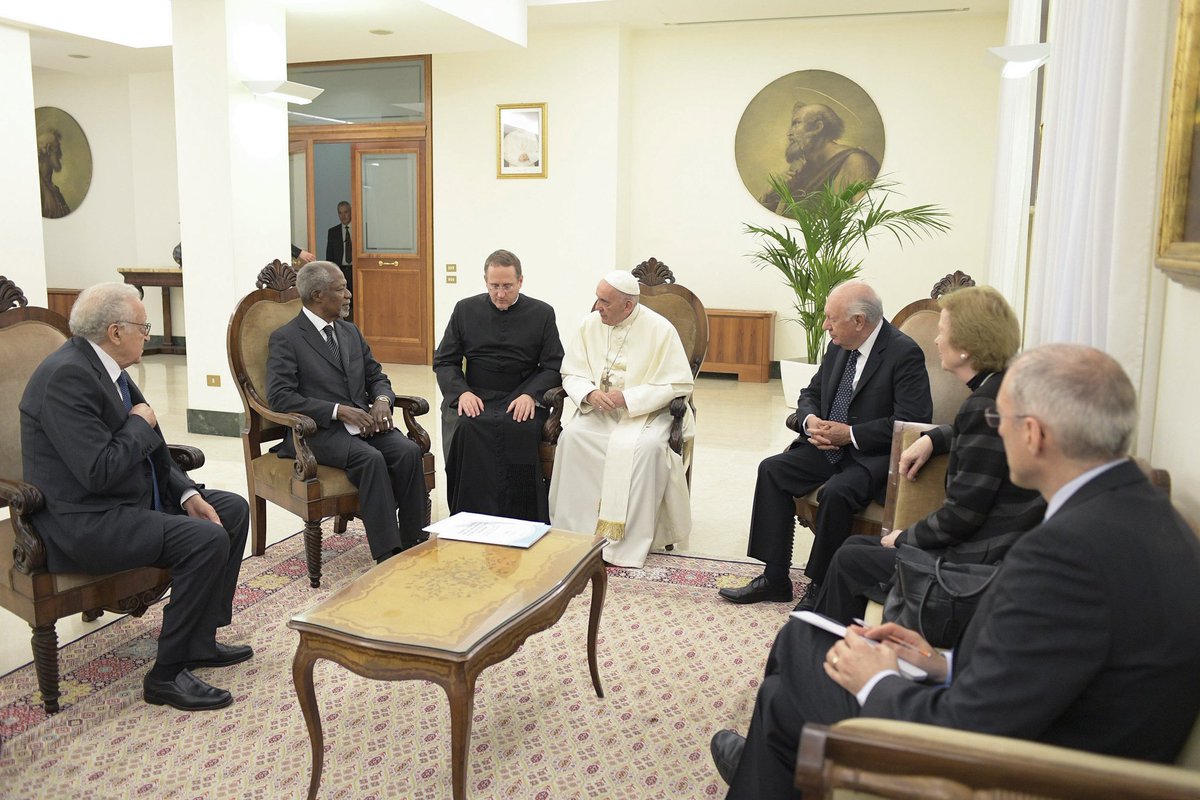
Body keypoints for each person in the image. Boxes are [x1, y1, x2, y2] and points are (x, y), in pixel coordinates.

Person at [710, 344, 1200, 798]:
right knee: (798, 655)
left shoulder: (1063, 554)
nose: (996, 431)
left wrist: (878, 682)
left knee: (795, 658)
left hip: (1028, 768)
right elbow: (1052, 661)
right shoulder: (1149, 514)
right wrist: (942, 663)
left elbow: (967, 728)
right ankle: (767, 761)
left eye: (1000, 419)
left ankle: (766, 758)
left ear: (1033, 434)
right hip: (1047, 726)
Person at [19, 283, 251, 712]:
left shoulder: (105, 367)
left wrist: (185, 494)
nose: (148, 334)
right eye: (143, 327)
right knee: (205, 539)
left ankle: (199, 640)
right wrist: (138, 425)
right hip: (86, 520)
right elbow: (99, 471)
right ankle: (166, 675)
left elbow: (155, 449)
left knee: (231, 510)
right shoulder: (66, 378)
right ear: (115, 331)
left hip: (126, 500)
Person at [810, 286, 1045, 624]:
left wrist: (906, 536)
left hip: (976, 565)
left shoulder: (983, 407)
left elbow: (962, 515)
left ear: (966, 346)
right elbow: (978, 434)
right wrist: (936, 437)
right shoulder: (1004, 389)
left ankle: (826, 638)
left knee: (851, 559)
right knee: (852, 549)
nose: (935, 340)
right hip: (1001, 550)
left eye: (942, 331)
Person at [719, 280, 931, 607]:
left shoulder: (903, 353)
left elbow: (911, 420)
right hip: (827, 447)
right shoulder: (838, 345)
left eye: (832, 318)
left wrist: (851, 434)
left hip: (872, 456)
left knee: (836, 492)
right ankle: (775, 578)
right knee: (772, 470)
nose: (825, 325)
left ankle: (822, 586)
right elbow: (812, 393)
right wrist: (810, 422)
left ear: (859, 321)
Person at [266, 261, 425, 562]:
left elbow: (376, 376)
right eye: (341, 289)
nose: (349, 295)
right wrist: (338, 411)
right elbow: (280, 397)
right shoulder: (286, 338)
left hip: (364, 423)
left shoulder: (350, 332)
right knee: (371, 459)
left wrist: (382, 400)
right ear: (317, 295)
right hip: (318, 432)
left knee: (408, 451)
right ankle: (389, 555)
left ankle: (415, 542)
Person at [549, 270, 694, 567]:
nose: (598, 307)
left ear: (628, 305)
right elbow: (571, 373)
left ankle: (626, 543)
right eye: (597, 299)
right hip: (600, 412)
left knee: (648, 449)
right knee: (573, 437)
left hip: (647, 415)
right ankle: (576, 534)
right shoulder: (590, 325)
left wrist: (629, 398)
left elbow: (677, 384)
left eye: (605, 302)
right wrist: (589, 393)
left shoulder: (660, 329)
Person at [433, 249, 564, 521]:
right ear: (485, 281)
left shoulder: (542, 313)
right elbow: (445, 361)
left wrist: (531, 395)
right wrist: (462, 393)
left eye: (507, 286)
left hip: (521, 394)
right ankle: (468, 518)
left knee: (520, 427)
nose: (500, 294)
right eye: (494, 286)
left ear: (520, 281)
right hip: (475, 394)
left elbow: (553, 365)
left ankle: (522, 520)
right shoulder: (465, 310)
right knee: (467, 427)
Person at [758, 103, 881, 214]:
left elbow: (865, 216)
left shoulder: (856, 163)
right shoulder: (801, 170)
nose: (789, 133)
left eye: (796, 123)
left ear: (818, 127)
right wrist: (771, 193)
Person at [38, 128, 71, 219]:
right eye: (57, 149)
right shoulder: (38, 188)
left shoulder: (54, 190)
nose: (61, 155)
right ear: (48, 149)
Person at [324, 201, 354, 291]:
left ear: (351, 212)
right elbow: (329, 256)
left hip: (355, 269)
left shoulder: (358, 229)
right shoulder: (333, 232)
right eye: (340, 213)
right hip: (340, 271)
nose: (343, 216)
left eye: (346, 212)